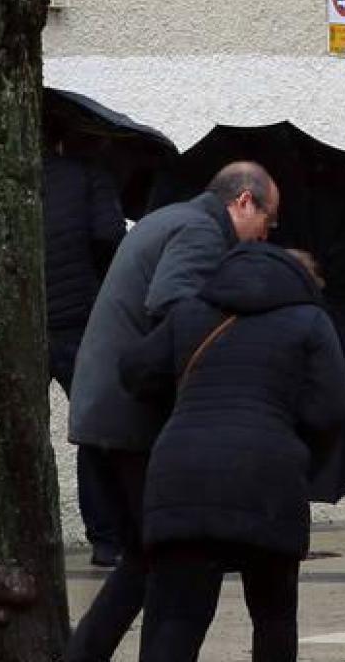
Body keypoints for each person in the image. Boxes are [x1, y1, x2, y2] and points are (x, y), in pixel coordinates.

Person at [65, 161, 281, 662]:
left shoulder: (170, 219)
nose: (265, 236)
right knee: (176, 562)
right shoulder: (202, 233)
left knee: (144, 558)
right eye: (267, 222)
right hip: (131, 418)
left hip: (106, 410)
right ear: (244, 201)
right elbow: (176, 309)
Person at [119, 244, 345, 662]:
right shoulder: (310, 321)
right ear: (304, 283)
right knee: (273, 616)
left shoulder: (190, 311)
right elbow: (331, 408)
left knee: (178, 618)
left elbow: (135, 371)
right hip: (268, 480)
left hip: (180, 476)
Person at [42, 135, 129, 567]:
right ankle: (107, 538)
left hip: (27, 320)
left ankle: (30, 535)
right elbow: (108, 236)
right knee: (97, 431)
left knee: (24, 435)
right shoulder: (91, 174)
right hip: (80, 320)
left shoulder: (14, 177)